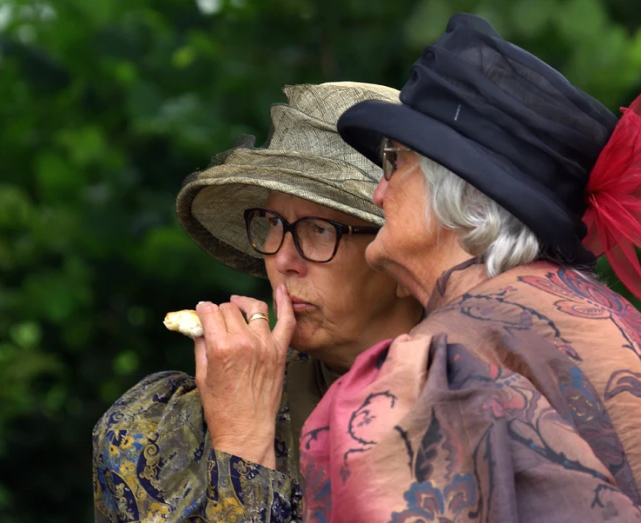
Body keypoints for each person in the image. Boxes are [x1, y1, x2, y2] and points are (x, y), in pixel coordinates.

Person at [298, 14, 641, 523]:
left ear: (451, 186)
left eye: (394, 161)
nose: (378, 191)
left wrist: (243, 455)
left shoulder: (435, 366)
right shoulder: (630, 338)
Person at [92, 82, 422, 522]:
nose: (281, 259)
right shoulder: (169, 432)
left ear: (400, 257)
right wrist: (241, 437)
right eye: (271, 223)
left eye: (319, 229)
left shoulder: (483, 413)